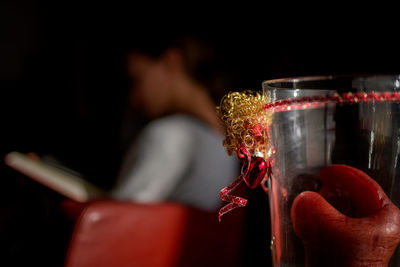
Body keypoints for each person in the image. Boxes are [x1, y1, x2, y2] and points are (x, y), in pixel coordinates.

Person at [110, 31, 239, 211]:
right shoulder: (228, 145)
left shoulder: (172, 135)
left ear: (172, 61)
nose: (133, 98)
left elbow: (119, 216)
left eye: (136, 80)